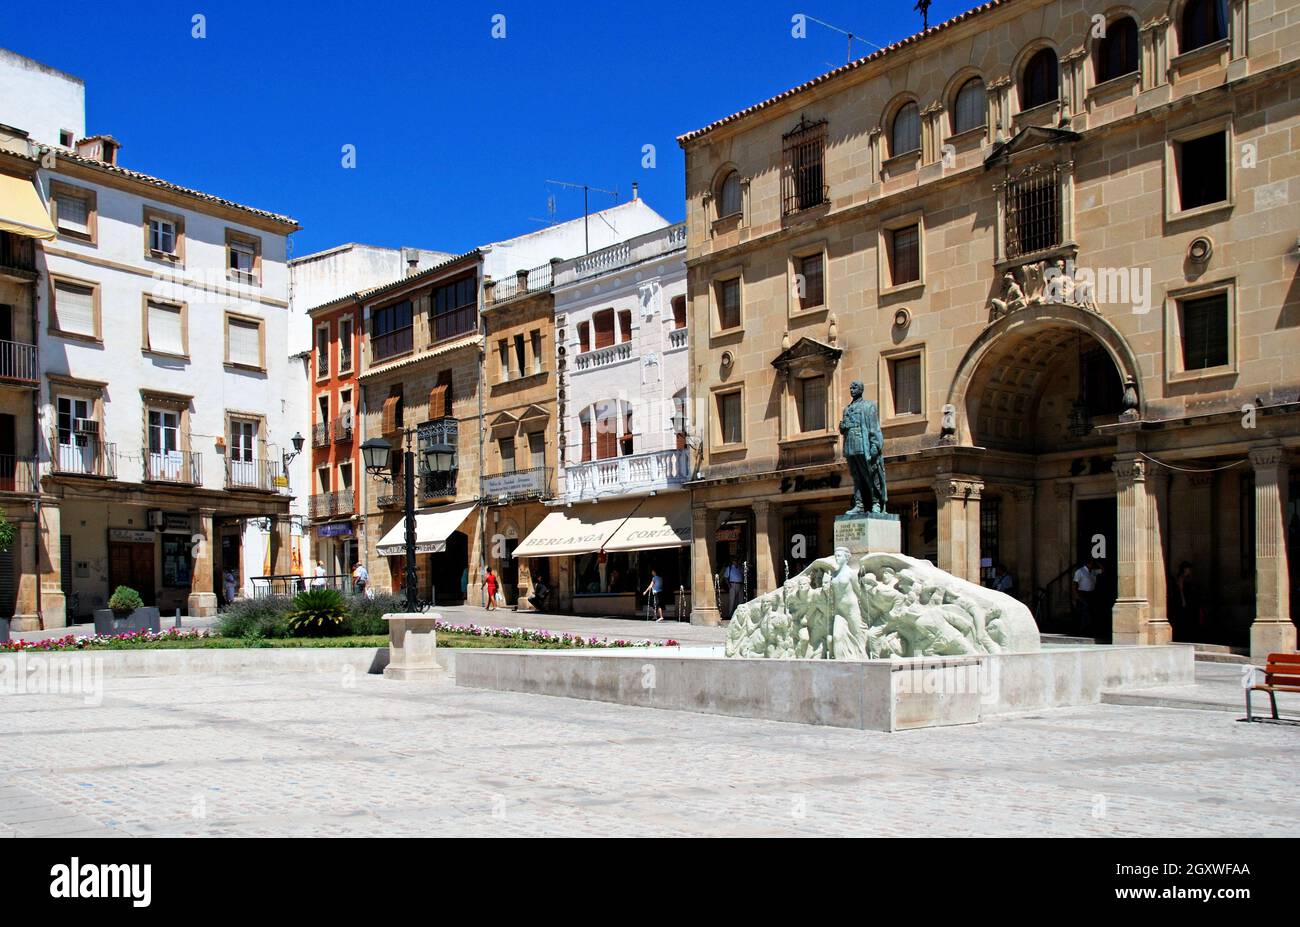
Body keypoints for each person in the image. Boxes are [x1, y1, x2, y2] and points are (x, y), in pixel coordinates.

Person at [1072, 557, 1102, 634]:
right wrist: (1076, 595)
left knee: (1090, 610)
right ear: (1087, 563)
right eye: (1091, 563)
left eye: (1092, 563)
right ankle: (1082, 628)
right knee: (1084, 610)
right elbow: (1075, 583)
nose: (1092, 564)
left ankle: (1088, 627)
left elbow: (1103, 570)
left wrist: (1098, 563)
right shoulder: (1079, 571)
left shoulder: (1093, 571)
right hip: (1082, 593)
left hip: (1091, 593)